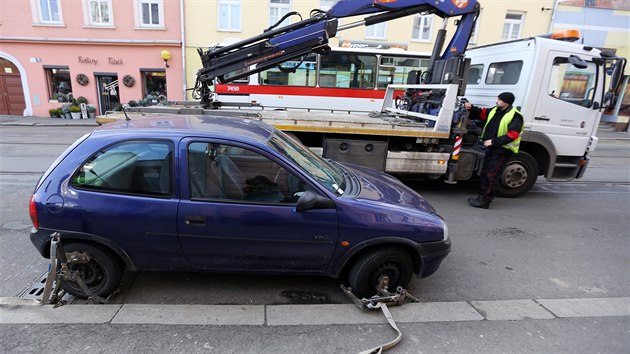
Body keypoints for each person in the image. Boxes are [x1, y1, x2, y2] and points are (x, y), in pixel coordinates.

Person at [464, 92, 524, 209]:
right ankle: (482, 196)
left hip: (502, 149)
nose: (497, 101)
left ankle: (486, 201)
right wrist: (471, 108)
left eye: (500, 100)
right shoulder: (495, 110)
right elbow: (481, 113)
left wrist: (493, 141)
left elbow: (513, 135)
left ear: (507, 102)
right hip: (492, 147)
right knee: (485, 173)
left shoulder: (515, 116)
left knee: (491, 175)